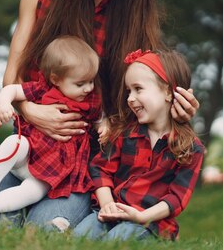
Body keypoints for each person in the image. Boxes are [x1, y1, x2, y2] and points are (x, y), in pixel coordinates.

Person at [0, 0, 201, 231]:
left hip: (83, 164)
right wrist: (30, 110)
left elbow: (142, 102)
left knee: (42, 231)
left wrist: (177, 109)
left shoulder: (138, 21)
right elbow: (12, 75)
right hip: (29, 150)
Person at [73, 49, 205, 242]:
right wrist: (107, 204)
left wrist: (142, 216)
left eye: (138, 89)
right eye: (129, 91)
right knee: (79, 238)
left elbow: (177, 198)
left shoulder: (190, 148)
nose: (130, 98)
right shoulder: (123, 133)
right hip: (112, 211)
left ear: (168, 92)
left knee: (116, 241)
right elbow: (99, 169)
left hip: (150, 223)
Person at [0, 36, 103, 219]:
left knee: (32, 192)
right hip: (28, 154)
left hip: (52, 171)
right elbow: (11, 90)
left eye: (91, 81)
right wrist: (4, 104)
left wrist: (105, 125)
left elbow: (101, 117)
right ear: (56, 79)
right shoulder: (42, 89)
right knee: (16, 142)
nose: (88, 88)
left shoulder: (90, 100)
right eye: (80, 84)